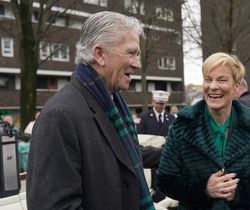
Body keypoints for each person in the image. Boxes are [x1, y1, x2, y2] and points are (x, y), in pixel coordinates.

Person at [27, 11, 155, 210]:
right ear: (100, 54)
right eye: (131, 53)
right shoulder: (59, 116)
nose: (137, 64)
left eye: (138, 54)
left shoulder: (110, 105)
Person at [157, 52, 250, 209]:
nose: (213, 86)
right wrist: (204, 189)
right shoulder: (183, 125)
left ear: (236, 87)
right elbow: (165, 179)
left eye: (222, 80)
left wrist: (238, 192)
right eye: (208, 80)